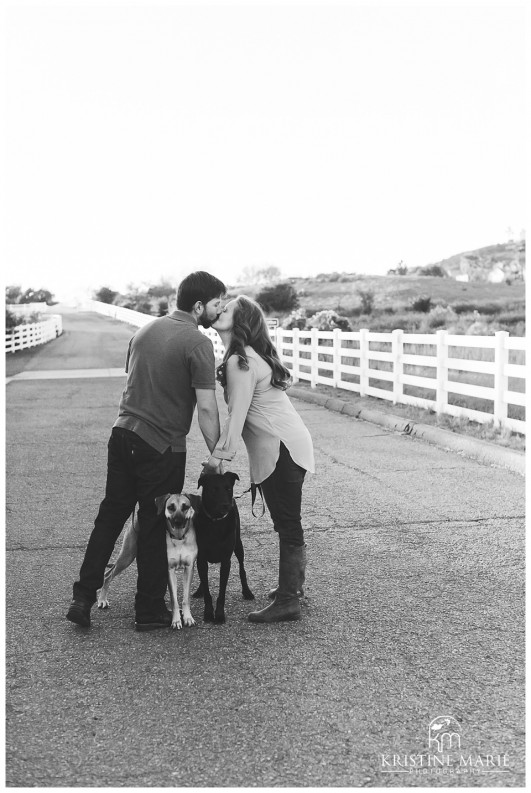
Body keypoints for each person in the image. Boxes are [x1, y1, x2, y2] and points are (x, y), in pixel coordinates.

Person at [67, 271, 226, 631]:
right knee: (155, 526)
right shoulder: (198, 343)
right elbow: (206, 408)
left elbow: (138, 380)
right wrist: (217, 456)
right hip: (161, 446)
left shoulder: (145, 331)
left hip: (122, 434)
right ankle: (148, 610)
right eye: (216, 304)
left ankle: (83, 596)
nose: (219, 310)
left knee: (109, 518)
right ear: (199, 305)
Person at [202, 295, 314, 623]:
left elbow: (236, 418)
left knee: (288, 524)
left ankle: (289, 600)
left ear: (241, 322)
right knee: (287, 522)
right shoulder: (247, 358)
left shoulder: (241, 361)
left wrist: (218, 459)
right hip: (290, 445)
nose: (219, 311)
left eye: (227, 310)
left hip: (282, 449)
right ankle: (291, 589)